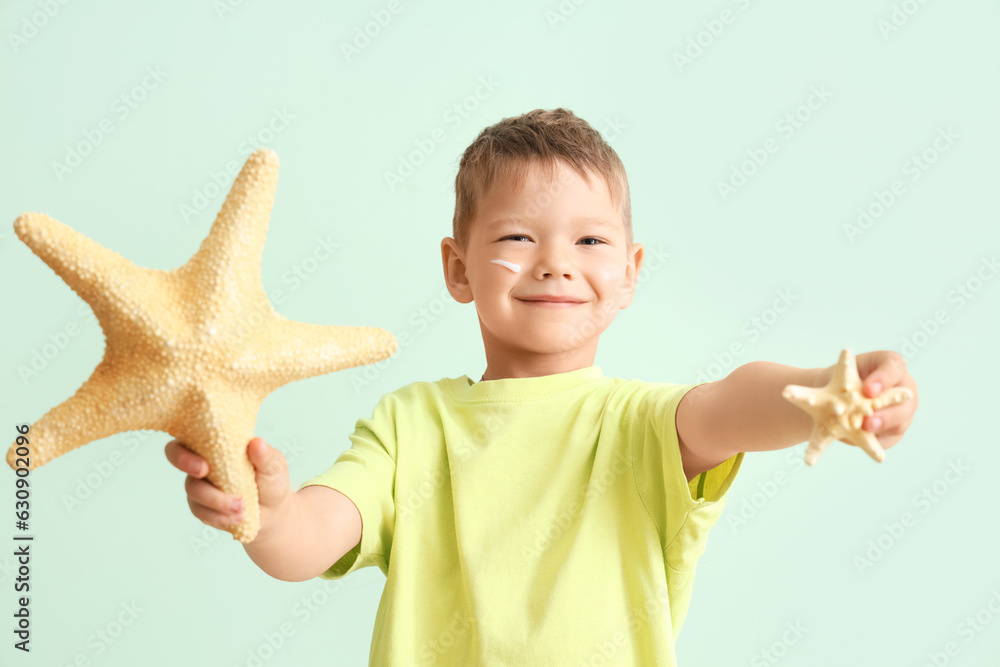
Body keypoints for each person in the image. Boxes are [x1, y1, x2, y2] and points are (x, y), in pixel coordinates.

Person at [164, 108, 919, 665]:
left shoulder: (641, 424)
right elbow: (309, 538)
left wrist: (832, 386)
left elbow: (736, 400)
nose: (556, 262)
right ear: (458, 267)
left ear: (629, 272)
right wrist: (265, 511)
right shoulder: (412, 424)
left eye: (590, 240)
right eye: (518, 237)